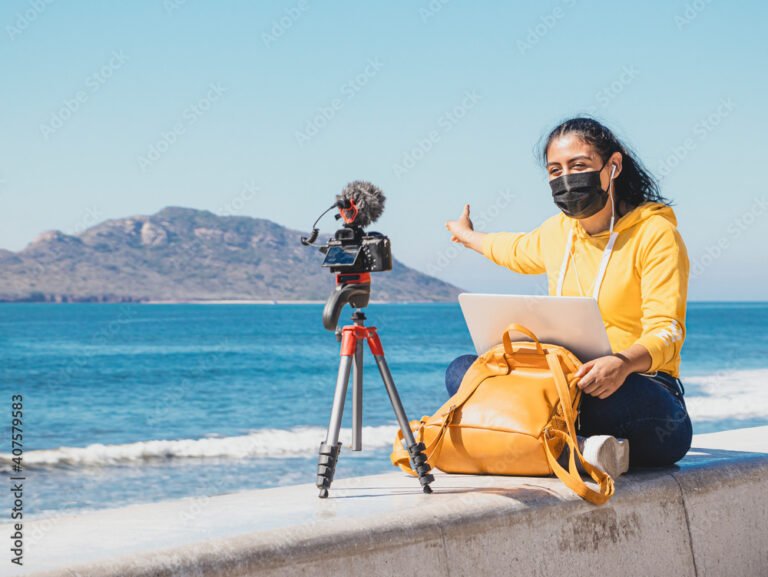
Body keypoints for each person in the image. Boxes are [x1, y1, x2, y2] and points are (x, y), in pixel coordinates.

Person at [444, 117, 692, 478]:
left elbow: (667, 331)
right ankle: (583, 447)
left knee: (607, 398)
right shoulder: (558, 232)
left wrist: (621, 364)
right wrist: (467, 236)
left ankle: (546, 443)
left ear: (613, 167)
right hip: (565, 386)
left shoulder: (655, 234)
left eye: (578, 166)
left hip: (638, 389)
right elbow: (511, 249)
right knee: (464, 371)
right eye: (555, 170)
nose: (566, 179)